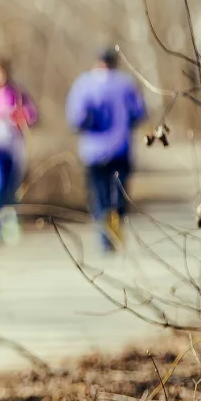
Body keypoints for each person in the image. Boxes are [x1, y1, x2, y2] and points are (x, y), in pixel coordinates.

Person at [65, 48, 146, 251]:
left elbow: (76, 119)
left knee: (99, 194)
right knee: (119, 194)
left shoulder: (83, 84)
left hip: (93, 151)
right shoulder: (126, 84)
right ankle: (115, 223)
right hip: (120, 148)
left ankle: (104, 238)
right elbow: (139, 113)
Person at [0, 59, 38, 245]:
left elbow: (32, 115)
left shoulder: (16, 93)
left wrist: (18, 115)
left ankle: (10, 224)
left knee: (11, 187)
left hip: (13, 147)